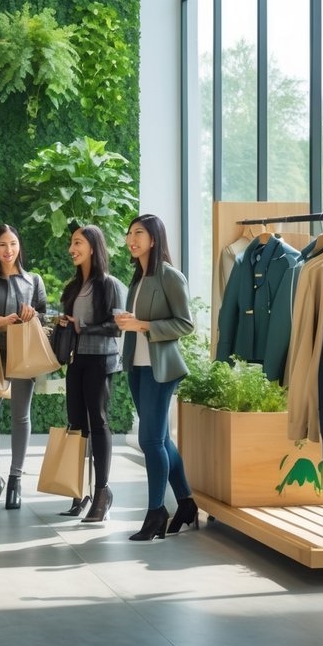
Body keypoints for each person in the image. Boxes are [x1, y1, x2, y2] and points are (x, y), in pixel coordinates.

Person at [116, 213, 196, 540]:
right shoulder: (137, 278)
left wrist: (143, 326)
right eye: (129, 233)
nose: (131, 239)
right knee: (161, 439)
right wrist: (128, 322)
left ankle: (155, 513)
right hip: (137, 367)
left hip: (161, 369)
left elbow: (186, 325)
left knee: (150, 440)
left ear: (154, 238)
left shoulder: (170, 277)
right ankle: (187, 503)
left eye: (139, 233)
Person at [0, 224, 46, 509]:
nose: (8, 250)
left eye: (13, 244)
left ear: (19, 247)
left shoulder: (33, 280)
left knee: (20, 417)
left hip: (23, 355)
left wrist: (33, 314)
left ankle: (15, 479)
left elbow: (45, 317)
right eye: (3, 244)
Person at [59, 224, 128, 522]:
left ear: (92, 247)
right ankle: (78, 491)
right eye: (71, 243)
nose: (72, 248)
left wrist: (83, 327)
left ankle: (102, 491)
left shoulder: (109, 285)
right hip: (76, 360)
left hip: (101, 360)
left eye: (78, 243)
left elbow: (117, 327)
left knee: (98, 422)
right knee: (76, 424)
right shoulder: (72, 287)